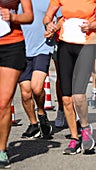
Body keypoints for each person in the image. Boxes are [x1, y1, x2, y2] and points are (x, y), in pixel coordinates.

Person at [43, 0, 96, 154]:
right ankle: (74, 138)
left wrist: (93, 25)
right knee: (66, 99)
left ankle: (86, 128)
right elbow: (48, 16)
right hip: (65, 46)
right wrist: (49, 24)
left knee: (78, 96)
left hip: (87, 45)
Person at [0, 0, 33, 168]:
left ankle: (1, 150)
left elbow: (29, 16)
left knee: (3, 102)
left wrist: (12, 16)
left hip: (10, 46)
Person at [18, 0, 54, 139]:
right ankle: (34, 124)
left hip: (43, 48)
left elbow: (62, 16)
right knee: (26, 92)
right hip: (20, 50)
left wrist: (53, 28)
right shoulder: (13, 2)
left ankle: (41, 113)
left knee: (37, 88)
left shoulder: (48, 1)